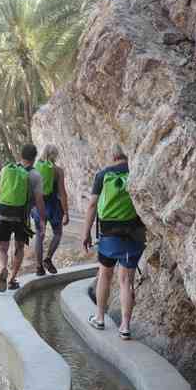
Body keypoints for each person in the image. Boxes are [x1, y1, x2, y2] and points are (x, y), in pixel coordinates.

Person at [82, 144, 145, 340]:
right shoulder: (137, 172)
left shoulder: (102, 175)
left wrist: (86, 233)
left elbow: (92, 204)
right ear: (127, 155)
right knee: (126, 281)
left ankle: (100, 318)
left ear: (113, 155)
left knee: (105, 275)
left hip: (108, 236)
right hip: (133, 234)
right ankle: (125, 327)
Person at [0, 143, 46, 292]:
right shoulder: (35, 175)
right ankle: (12, 279)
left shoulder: (6, 170)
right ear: (34, 158)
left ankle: (3, 268)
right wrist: (42, 219)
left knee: (2, 248)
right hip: (22, 218)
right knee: (19, 248)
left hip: (4, 214)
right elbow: (39, 201)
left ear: (20, 155)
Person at [31, 144, 70, 276]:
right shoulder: (57, 170)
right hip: (53, 206)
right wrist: (66, 213)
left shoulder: (35, 168)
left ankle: (38, 267)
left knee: (39, 235)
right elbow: (62, 193)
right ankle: (48, 258)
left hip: (38, 207)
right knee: (57, 233)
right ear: (55, 156)